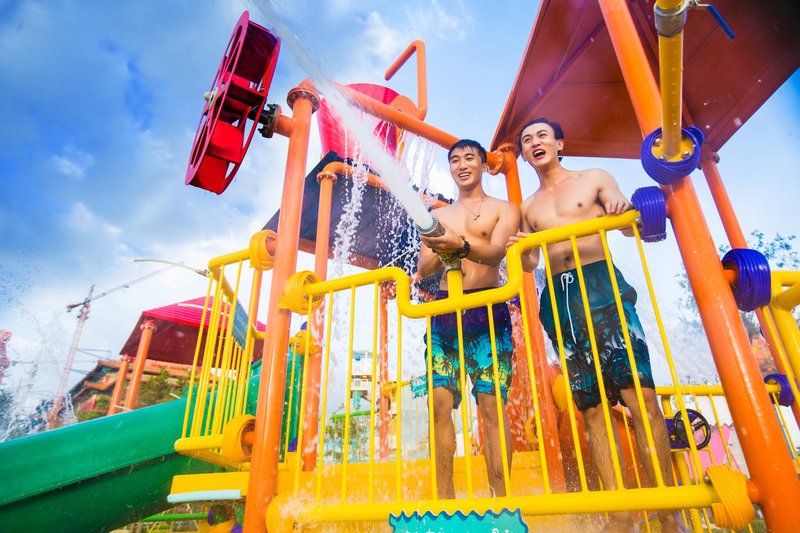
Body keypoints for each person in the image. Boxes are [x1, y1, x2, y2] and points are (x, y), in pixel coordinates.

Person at [508, 118, 683, 532]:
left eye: (542, 136)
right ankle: (620, 517)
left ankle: (668, 510)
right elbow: (530, 264)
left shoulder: (594, 178)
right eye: (527, 140)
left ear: (559, 143)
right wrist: (520, 248)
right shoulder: (527, 208)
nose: (535, 143)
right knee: (591, 409)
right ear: (525, 154)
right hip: (561, 300)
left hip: (601, 285)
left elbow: (627, 223)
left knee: (641, 398)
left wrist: (622, 210)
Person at [417, 139, 520, 498]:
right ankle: (444, 501)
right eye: (455, 160)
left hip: (487, 307)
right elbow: (423, 269)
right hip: (446, 310)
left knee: (491, 406)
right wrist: (439, 243)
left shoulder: (504, 209)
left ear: (482, 165)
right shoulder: (438, 216)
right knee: (439, 404)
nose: (462, 165)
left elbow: (496, 253)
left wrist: (459, 245)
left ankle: (500, 501)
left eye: (469, 158)